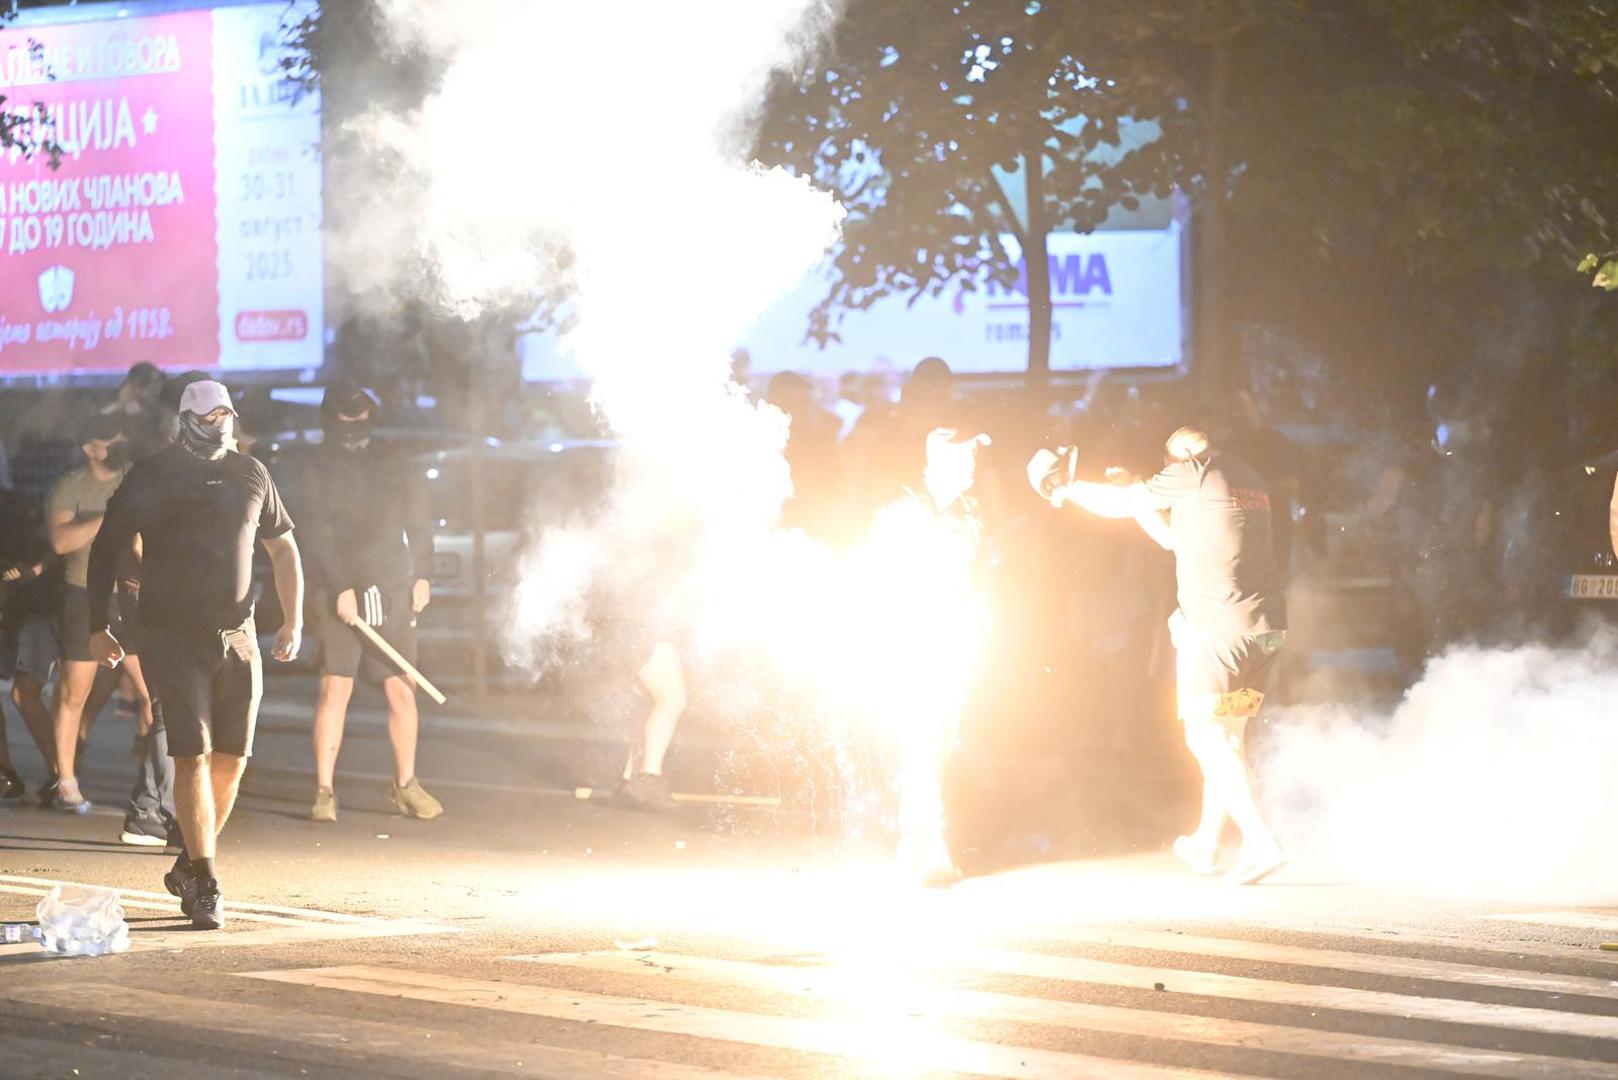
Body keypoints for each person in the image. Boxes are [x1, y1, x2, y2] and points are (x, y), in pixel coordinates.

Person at [1029, 425, 1289, 885]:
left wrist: (1066, 488)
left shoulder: (1194, 470)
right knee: (1227, 738)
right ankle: (1207, 844)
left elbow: (1125, 503)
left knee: (1204, 739)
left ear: (1184, 453)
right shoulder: (1248, 477)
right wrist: (1132, 491)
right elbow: (1170, 537)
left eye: (1168, 464)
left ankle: (1261, 841)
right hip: (1263, 636)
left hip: (1218, 634)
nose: (1168, 472)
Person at [87, 380, 304, 930]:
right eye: (208, 417)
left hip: (239, 635)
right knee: (193, 754)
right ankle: (205, 881)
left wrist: (294, 619)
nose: (219, 424)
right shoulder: (153, 474)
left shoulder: (251, 473)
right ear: (186, 420)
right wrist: (97, 625)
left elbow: (284, 547)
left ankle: (188, 863)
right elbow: (106, 548)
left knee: (234, 757)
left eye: (226, 415)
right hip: (171, 634)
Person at [292, 382, 442, 822]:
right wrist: (340, 587)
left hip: (393, 587)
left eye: (362, 423)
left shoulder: (394, 460)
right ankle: (324, 791)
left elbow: (419, 519)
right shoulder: (314, 468)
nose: (355, 432)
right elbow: (314, 532)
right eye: (345, 424)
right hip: (339, 593)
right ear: (329, 423)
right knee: (336, 686)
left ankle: (407, 784)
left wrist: (424, 576)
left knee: (401, 688)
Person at [44, 413, 134, 813]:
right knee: (73, 692)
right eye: (107, 441)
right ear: (89, 448)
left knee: (154, 694)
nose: (116, 445)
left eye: (120, 438)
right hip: (83, 596)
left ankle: (155, 790)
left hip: (131, 595)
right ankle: (65, 780)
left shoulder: (132, 478)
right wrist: (109, 519)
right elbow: (62, 541)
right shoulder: (70, 487)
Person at [0, 482, 58, 800]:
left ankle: (60, 773)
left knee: (26, 693)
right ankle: (7, 773)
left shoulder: (15, 506)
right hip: (14, 610)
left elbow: (49, 549)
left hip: (31, 609)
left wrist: (31, 569)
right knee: (27, 694)